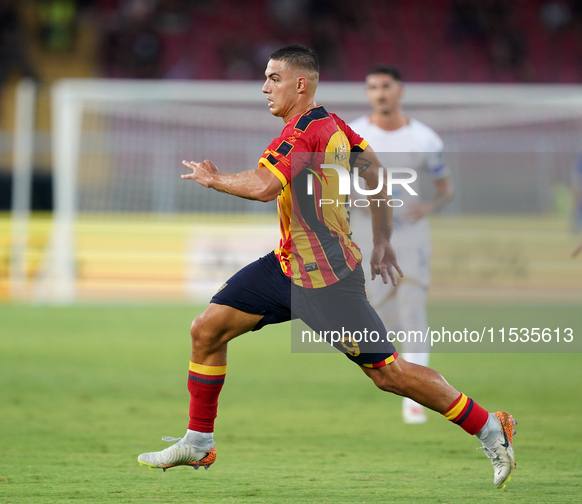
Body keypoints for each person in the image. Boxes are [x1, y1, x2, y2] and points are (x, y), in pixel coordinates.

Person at [137, 45, 516, 489]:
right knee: (207, 329)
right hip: (285, 267)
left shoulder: (302, 133)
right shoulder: (338, 128)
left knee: (389, 375)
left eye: (273, 78)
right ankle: (199, 441)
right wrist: (383, 241)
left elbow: (263, 187)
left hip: (327, 279)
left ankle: (491, 426)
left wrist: (213, 178)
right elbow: (377, 175)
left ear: (301, 83)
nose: (264, 87)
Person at [349, 66, 454, 424]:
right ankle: (400, 378)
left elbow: (445, 189)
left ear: (400, 91)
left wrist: (428, 206)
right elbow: (334, 181)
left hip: (411, 233)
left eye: (386, 86)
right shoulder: (353, 134)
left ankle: (416, 399)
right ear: (367, 94)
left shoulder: (425, 139)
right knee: (378, 311)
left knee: (412, 303)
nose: (379, 93)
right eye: (372, 86)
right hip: (367, 231)